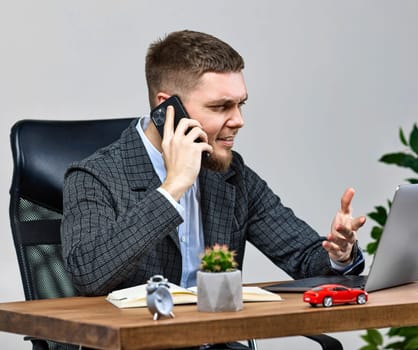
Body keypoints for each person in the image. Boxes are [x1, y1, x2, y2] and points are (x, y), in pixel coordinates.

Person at [61, 30, 366, 300]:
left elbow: (304, 258)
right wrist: (172, 188)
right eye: (221, 107)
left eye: (240, 104)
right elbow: (89, 274)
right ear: (167, 107)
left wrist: (339, 254)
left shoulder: (231, 174)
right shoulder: (94, 176)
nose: (238, 121)